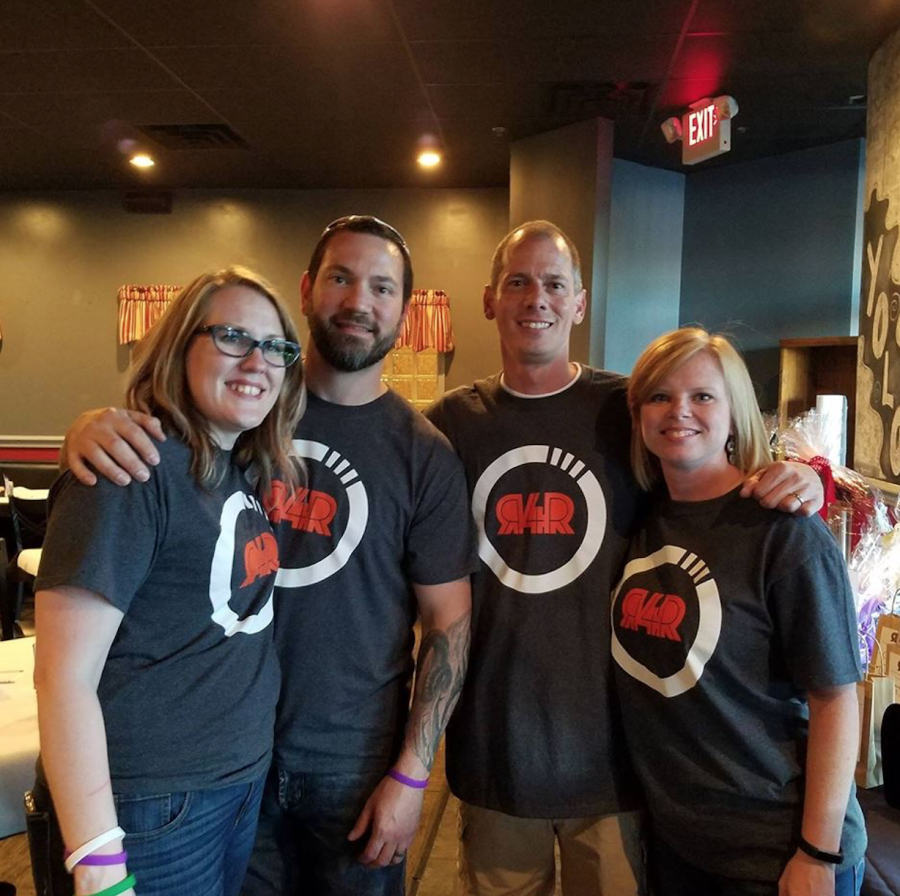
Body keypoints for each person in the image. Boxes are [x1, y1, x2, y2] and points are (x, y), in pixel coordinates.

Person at [61, 216, 477, 896]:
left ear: (405, 310)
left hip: (353, 764)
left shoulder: (423, 453)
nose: (358, 301)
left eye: (382, 287)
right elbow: (159, 449)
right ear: (309, 289)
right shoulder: (246, 408)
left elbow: (449, 626)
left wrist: (411, 775)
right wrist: (93, 428)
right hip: (222, 765)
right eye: (341, 278)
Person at [425, 221, 825, 896]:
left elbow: (711, 460)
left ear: (580, 302)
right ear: (491, 299)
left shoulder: (628, 406)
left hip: (622, 763)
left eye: (555, 283)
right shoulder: (447, 424)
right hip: (494, 753)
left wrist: (805, 474)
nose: (536, 299)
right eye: (518, 282)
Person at [33, 266, 306, 896]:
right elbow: (62, 677)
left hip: (235, 786)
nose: (258, 361)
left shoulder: (235, 468)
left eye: (275, 348)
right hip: (151, 806)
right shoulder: (128, 468)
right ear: (180, 344)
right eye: (234, 336)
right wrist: (99, 865)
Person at [613, 326, 865, 896]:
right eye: (659, 395)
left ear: (735, 413)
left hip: (776, 851)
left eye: (703, 395)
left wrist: (816, 854)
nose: (679, 411)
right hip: (680, 843)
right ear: (638, 414)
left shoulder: (785, 533)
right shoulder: (642, 518)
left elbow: (834, 698)